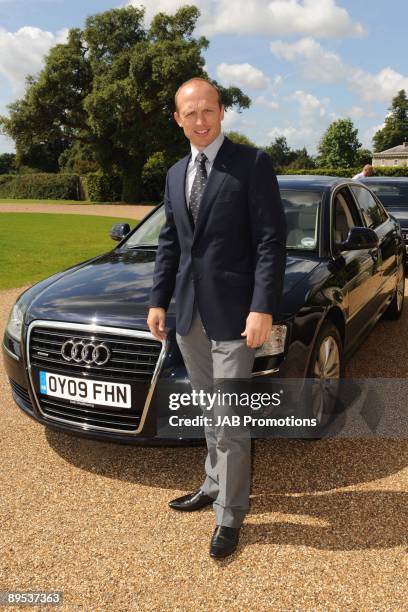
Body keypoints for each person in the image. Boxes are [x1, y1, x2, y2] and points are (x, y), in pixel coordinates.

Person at [147, 77, 287, 559]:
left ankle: (230, 514)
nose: (201, 121)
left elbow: (271, 240)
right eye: (191, 113)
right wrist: (158, 301)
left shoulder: (251, 165)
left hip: (235, 316)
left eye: (209, 110)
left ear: (222, 112)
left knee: (228, 418)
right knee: (210, 411)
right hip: (189, 316)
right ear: (178, 119)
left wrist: (262, 305)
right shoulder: (174, 173)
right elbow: (171, 244)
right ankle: (211, 483)